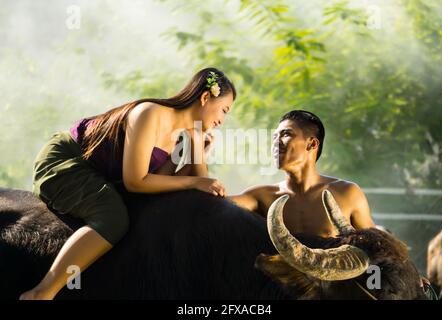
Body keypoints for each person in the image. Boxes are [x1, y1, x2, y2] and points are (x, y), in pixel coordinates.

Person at [19, 67, 236, 300]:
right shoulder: (150, 113)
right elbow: (136, 182)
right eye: (224, 110)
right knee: (114, 218)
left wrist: (196, 150)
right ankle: (41, 293)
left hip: (98, 176)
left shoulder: (182, 137)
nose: (222, 120)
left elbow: (175, 187)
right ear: (205, 97)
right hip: (66, 161)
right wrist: (195, 180)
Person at [228, 110, 375, 237]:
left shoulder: (347, 193)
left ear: (312, 144)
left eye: (286, 134)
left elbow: (376, 247)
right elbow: (213, 207)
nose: (276, 143)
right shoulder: (261, 196)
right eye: (274, 137)